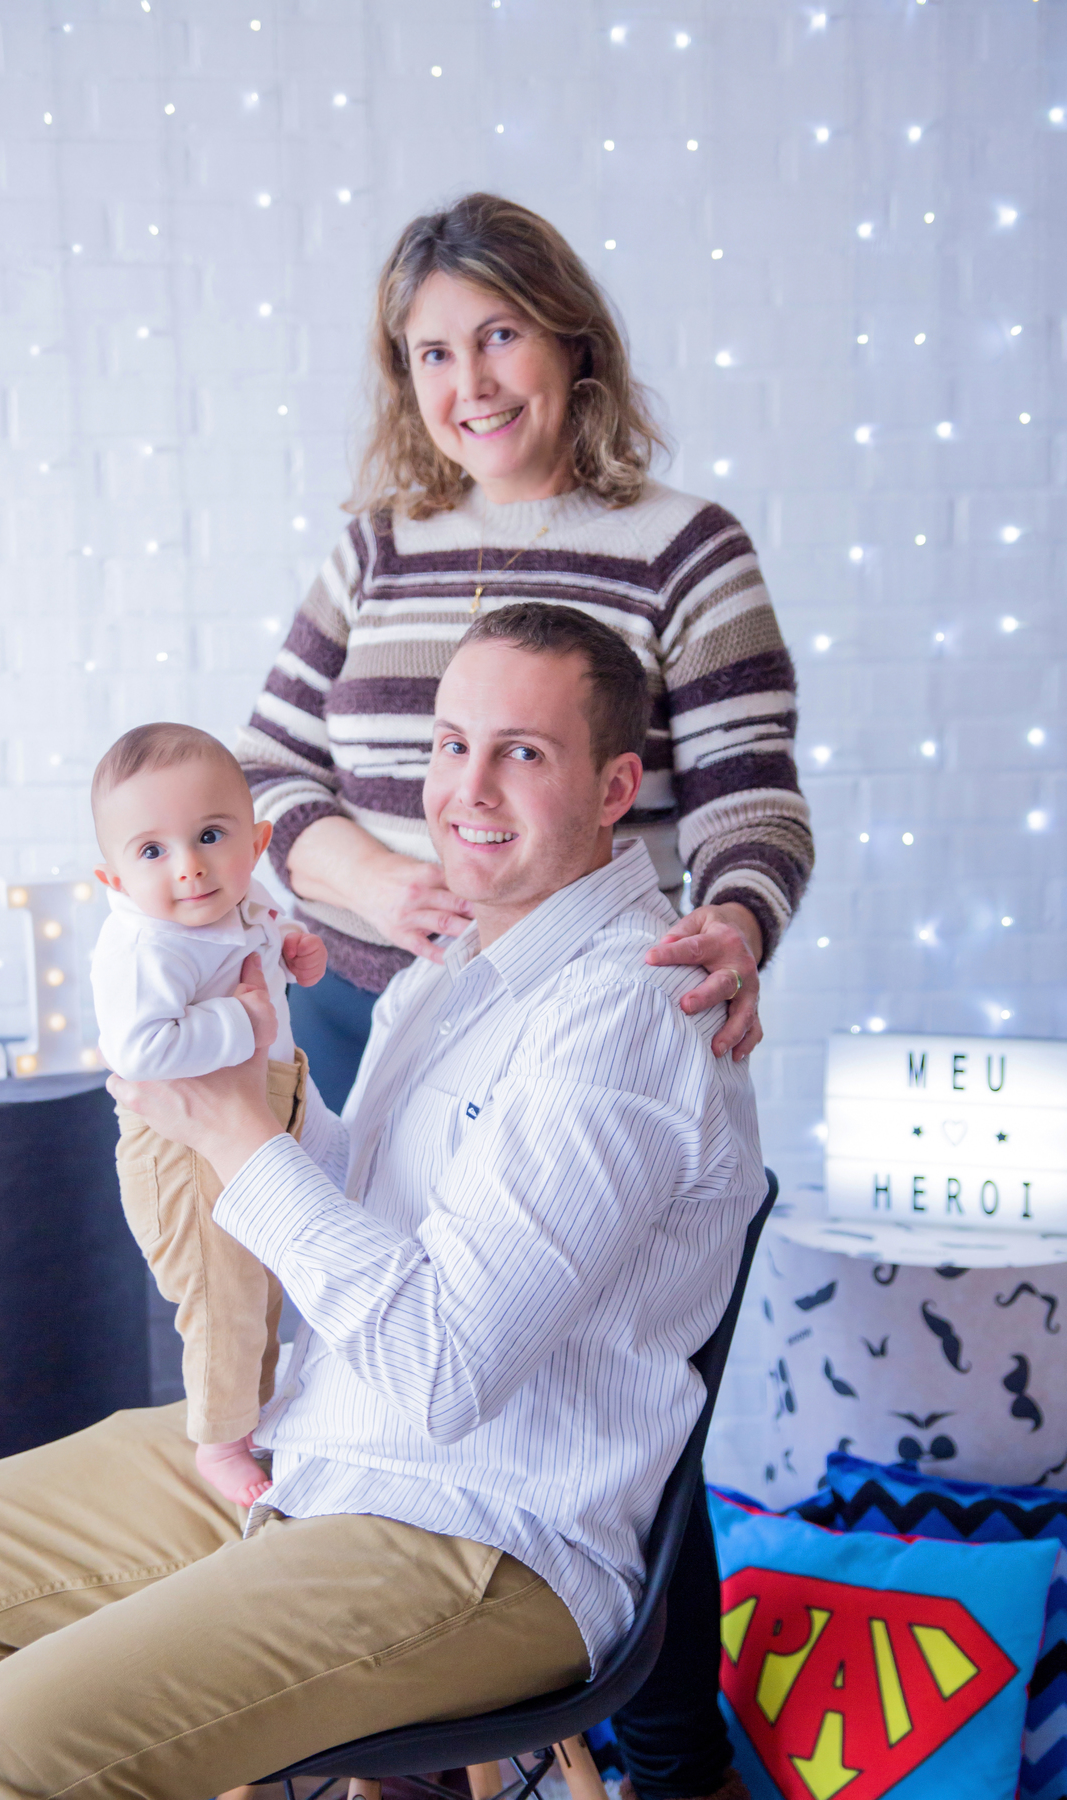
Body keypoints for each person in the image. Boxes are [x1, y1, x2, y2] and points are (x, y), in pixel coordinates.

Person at [0, 605, 764, 1800]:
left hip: (479, 1535)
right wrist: (264, 1093)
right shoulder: (446, 976)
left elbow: (443, 1371)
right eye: (451, 744)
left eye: (521, 751)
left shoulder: (627, 1007)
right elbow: (364, 1203)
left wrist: (235, 1129)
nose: (468, 788)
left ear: (616, 787)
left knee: (1, 1748)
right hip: (314, 1448)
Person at [235, 190, 812, 1800]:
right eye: (430, 353)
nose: (469, 383)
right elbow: (268, 772)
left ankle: (672, 1761)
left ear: (570, 340)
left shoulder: (681, 547)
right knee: (375, 1403)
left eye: (498, 335)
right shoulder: (373, 549)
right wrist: (376, 885)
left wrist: (739, 923)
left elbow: (753, 791)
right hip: (371, 1018)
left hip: (572, 1027)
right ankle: (400, 1747)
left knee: (584, 1429)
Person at [90, 722, 327, 1507]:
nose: (189, 866)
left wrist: (292, 946)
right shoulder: (145, 949)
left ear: (256, 843)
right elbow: (139, 1049)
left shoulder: (240, 896)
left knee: (263, 1281)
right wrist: (242, 1023)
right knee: (222, 1294)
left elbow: (260, 935)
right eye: (152, 851)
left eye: (210, 836)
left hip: (261, 1112)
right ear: (115, 878)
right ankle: (219, 1439)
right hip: (180, 1149)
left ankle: (254, 1414)